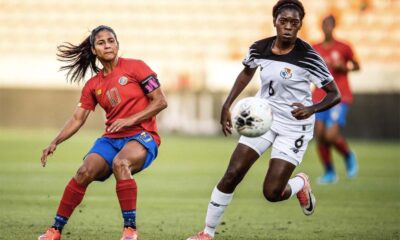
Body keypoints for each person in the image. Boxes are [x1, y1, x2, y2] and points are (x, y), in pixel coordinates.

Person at [187, 1, 341, 239]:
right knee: (233, 173)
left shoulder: (309, 56)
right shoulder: (259, 48)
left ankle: (300, 183)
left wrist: (312, 109)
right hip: (264, 119)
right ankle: (207, 233)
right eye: (284, 21)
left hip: (294, 126)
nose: (288, 26)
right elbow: (247, 72)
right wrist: (227, 105)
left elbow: (334, 93)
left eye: (294, 22)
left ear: (300, 25)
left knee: (271, 192)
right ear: (275, 22)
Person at [38, 25, 167, 240]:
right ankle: (55, 230)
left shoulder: (137, 67)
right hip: (112, 138)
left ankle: (130, 230)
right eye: (101, 42)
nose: (107, 45)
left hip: (143, 135)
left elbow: (160, 102)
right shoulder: (93, 85)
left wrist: (130, 120)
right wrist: (55, 141)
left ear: (117, 44)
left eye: (111, 40)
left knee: (121, 163)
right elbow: (78, 118)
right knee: (83, 172)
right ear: (94, 50)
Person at [312, 15, 360, 184]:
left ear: (334, 27)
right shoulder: (314, 47)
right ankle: (330, 173)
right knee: (319, 134)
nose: (327, 28)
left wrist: (345, 67)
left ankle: (348, 155)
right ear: (321, 27)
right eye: (325, 25)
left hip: (340, 95)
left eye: (330, 25)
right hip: (319, 95)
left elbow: (357, 66)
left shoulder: (344, 47)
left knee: (330, 135)